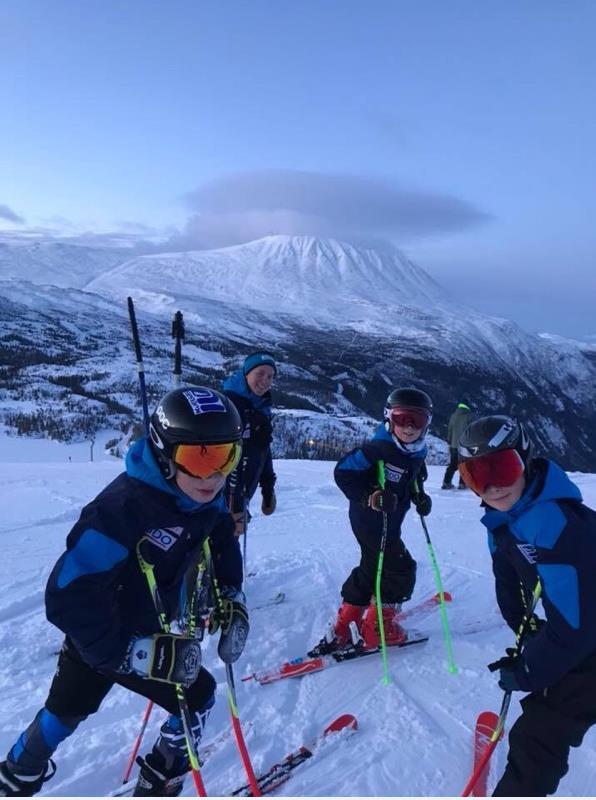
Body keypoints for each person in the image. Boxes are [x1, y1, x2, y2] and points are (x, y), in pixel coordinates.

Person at [0, 387, 249, 798]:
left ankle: (22, 770)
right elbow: (66, 596)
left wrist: (232, 594)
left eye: (225, 456)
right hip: (106, 637)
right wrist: (134, 652)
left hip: (139, 631)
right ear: (164, 453)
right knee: (196, 697)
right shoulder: (120, 511)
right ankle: (156, 778)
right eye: (196, 458)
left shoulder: (202, 497)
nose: (213, 476)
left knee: (67, 711)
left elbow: (220, 536)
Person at [458, 415, 596, 797]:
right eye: (475, 476)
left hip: (589, 637)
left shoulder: (556, 524)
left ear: (526, 460)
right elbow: (509, 581)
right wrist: (530, 634)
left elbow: (575, 631)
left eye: (501, 469)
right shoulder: (506, 519)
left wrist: (530, 671)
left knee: (541, 733)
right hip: (583, 629)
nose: (491, 487)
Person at [309, 387, 433, 656]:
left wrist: (419, 496)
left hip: (390, 520)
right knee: (400, 569)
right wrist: (371, 497)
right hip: (371, 520)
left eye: (418, 421)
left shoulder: (416, 451)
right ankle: (378, 629)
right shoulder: (377, 449)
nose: (409, 428)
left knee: (371, 566)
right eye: (402, 419)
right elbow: (343, 473)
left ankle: (345, 625)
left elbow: (412, 479)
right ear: (389, 418)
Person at [222, 352, 277, 537]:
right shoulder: (230, 406)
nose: (265, 380)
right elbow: (229, 460)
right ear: (246, 373)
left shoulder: (260, 406)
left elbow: (263, 449)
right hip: (221, 501)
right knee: (214, 555)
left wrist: (268, 486)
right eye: (260, 373)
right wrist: (234, 506)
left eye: (270, 376)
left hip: (240, 496)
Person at [442, 402, 472, 490]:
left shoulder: (454, 415)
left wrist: (450, 440)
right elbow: (470, 430)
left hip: (453, 445)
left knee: (453, 465)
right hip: (464, 445)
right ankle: (462, 484)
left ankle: (446, 482)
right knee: (464, 465)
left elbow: (450, 429)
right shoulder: (468, 416)